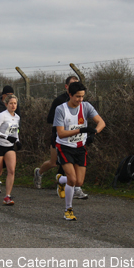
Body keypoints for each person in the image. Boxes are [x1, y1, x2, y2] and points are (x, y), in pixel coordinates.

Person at [53, 81, 105, 221]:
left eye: (82, 96)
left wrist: (94, 133)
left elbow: (101, 122)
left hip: (80, 148)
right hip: (64, 147)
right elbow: (61, 133)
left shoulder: (86, 106)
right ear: (70, 95)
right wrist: (81, 130)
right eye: (77, 96)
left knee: (79, 182)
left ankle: (61, 180)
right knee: (73, 179)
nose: (80, 99)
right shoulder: (60, 109)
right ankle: (68, 210)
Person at [34, 76, 89, 199]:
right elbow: (50, 119)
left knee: (71, 165)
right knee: (54, 162)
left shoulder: (80, 101)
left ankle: (72, 186)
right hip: (59, 137)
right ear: (67, 87)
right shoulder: (59, 101)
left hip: (75, 141)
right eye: (73, 84)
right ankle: (39, 172)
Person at [0, 94, 21, 205]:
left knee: (11, 170)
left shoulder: (17, 117)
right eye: (11, 103)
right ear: (6, 104)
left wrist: (17, 141)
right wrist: (6, 137)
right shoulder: (2, 116)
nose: (13, 105)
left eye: (15, 103)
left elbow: (15, 131)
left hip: (9, 147)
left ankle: (7, 196)